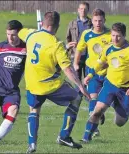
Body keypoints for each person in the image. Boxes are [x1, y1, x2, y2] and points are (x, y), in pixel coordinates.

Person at [18, 11, 90, 153]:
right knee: (76, 97)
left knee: (34, 111)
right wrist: (80, 86)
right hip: (51, 85)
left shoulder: (30, 34)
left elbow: (19, 31)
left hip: (32, 84)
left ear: (43, 23)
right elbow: (68, 69)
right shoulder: (56, 44)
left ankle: (32, 145)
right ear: (57, 26)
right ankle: (64, 136)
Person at [81, 22, 129, 142]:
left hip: (126, 90)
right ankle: (86, 138)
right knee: (97, 111)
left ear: (124, 35)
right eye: (113, 35)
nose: (115, 39)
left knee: (120, 122)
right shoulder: (108, 49)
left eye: (118, 36)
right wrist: (90, 74)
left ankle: (115, 104)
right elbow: (100, 63)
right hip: (110, 85)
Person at [74, 8, 111, 138]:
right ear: (92, 21)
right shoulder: (86, 34)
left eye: (100, 20)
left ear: (104, 20)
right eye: (95, 20)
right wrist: (76, 63)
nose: (98, 23)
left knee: (101, 104)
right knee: (92, 99)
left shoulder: (111, 35)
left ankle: (97, 116)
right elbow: (79, 49)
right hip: (92, 73)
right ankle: (93, 130)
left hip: (108, 74)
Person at [66, 1, 92, 81]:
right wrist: (69, 48)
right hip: (76, 55)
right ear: (78, 10)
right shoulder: (72, 23)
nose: (83, 11)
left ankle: (88, 93)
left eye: (85, 9)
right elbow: (68, 38)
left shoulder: (92, 24)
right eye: (81, 9)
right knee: (77, 79)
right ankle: (79, 93)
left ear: (88, 10)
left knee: (88, 79)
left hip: (89, 55)